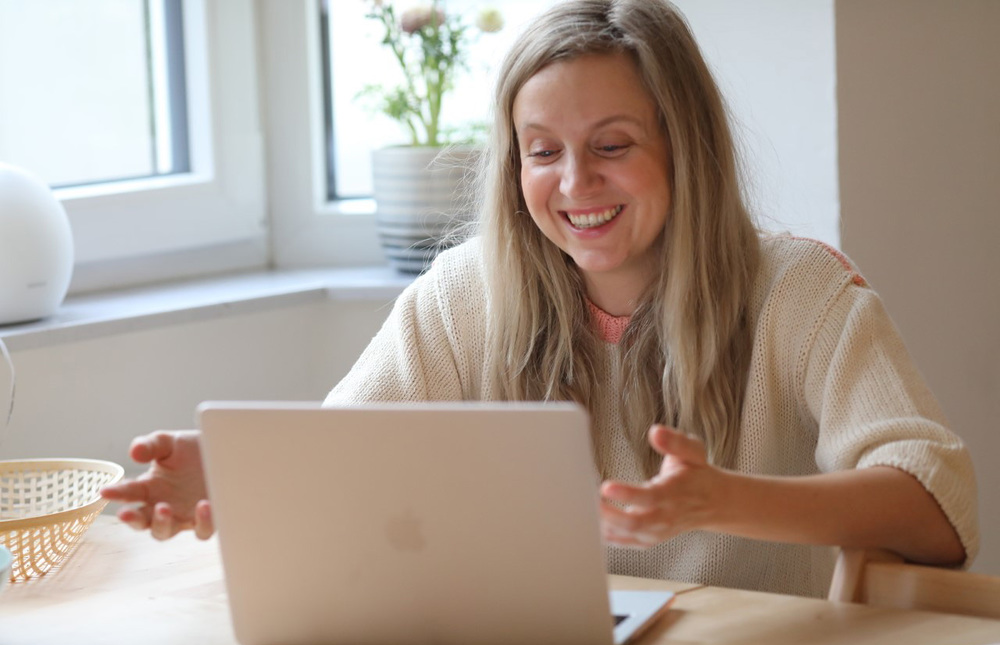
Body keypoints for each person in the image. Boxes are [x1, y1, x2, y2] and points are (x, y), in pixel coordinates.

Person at [101, 0, 978, 598]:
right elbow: (350, 454)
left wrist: (720, 499)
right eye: (542, 150)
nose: (574, 182)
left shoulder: (801, 291)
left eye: (612, 144)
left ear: (685, 148)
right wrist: (242, 469)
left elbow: (936, 509)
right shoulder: (464, 296)